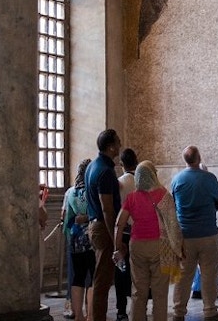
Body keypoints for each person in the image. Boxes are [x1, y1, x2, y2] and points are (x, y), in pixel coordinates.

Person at [113, 160, 182, 321]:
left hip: (137, 246)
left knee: (138, 291)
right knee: (159, 293)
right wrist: (178, 248)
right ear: (153, 175)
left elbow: (119, 223)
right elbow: (173, 224)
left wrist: (118, 248)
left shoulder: (131, 198)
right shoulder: (164, 195)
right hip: (160, 246)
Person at [170, 146, 218, 321]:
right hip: (208, 233)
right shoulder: (209, 178)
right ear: (199, 158)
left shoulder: (177, 179)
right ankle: (210, 311)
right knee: (209, 274)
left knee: (183, 276)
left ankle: (178, 312)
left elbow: (172, 206)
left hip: (185, 235)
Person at [86, 129, 123, 321]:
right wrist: (116, 239)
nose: (120, 144)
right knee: (102, 280)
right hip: (103, 226)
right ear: (110, 147)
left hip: (95, 225)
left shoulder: (93, 166)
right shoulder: (105, 172)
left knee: (101, 277)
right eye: (117, 141)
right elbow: (108, 209)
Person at [63, 159, 95, 321]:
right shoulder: (92, 190)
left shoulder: (70, 192)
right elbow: (98, 214)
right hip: (92, 237)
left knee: (78, 277)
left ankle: (79, 316)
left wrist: (70, 236)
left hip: (75, 239)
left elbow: (67, 219)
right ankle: (91, 315)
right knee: (93, 277)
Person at [114, 147, 138, 321]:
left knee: (121, 272)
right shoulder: (142, 181)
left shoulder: (119, 182)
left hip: (123, 231)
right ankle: (139, 306)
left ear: (121, 164)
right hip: (140, 233)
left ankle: (121, 309)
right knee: (138, 272)